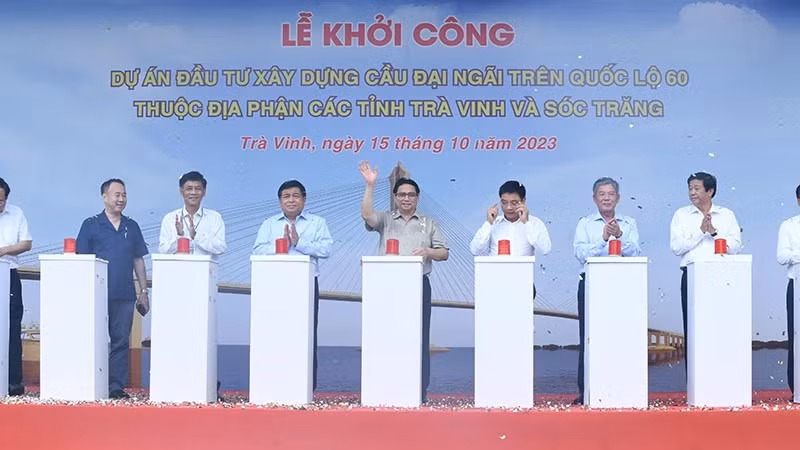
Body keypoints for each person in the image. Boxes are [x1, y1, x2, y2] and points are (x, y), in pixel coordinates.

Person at [359, 161, 449, 402]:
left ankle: (419, 392)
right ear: (395, 197)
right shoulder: (386, 220)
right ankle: (384, 389)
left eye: (411, 195)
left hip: (419, 285)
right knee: (385, 336)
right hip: (387, 288)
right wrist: (370, 185)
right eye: (401, 195)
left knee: (419, 339)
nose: (406, 199)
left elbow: (444, 253)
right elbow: (367, 215)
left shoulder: (429, 223)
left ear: (418, 198)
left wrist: (428, 252)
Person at [253, 179, 333, 391]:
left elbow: (326, 250)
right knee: (274, 334)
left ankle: (306, 388)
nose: (291, 200)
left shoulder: (317, 223)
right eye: (286, 196)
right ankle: (273, 385)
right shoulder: (269, 224)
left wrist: (299, 243)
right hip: (274, 286)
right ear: (280, 201)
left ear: (304, 200)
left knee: (305, 337)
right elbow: (257, 250)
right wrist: (280, 246)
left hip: (305, 286)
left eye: (295, 196)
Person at [77, 179, 149, 399]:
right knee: (93, 339)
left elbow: (138, 260)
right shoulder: (90, 224)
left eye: (124, 195)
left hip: (124, 293)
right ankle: (90, 382)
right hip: (96, 294)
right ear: (104, 196)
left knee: (120, 340)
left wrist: (143, 291)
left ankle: (115, 386)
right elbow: (81, 259)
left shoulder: (132, 226)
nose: (121, 199)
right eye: (116, 194)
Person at [572, 176, 641, 404]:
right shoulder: (585, 223)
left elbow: (636, 253)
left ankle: (622, 389)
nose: (606, 198)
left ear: (618, 198)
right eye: (602, 194)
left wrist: (619, 236)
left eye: (611, 194)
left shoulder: (629, 223)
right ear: (594, 198)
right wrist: (603, 239)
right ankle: (586, 392)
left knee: (621, 335)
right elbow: (580, 254)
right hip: (591, 284)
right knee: (588, 336)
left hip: (621, 285)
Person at [670, 171, 742, 377]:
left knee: (721, 328)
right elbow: (676, 247)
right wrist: (700, 232)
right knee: (693, 331)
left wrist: (715, 233)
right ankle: (694, 382)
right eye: (690, 188)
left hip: (722, 276)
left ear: (710, 191)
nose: (692, 193)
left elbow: (736, 246)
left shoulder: (726, 215)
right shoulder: (681, 215)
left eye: (697, 188)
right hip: (691, 276)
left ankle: (722, 377)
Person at [469, 180, 551, 297]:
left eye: (514, 203)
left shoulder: (535, 223)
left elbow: (545, 249)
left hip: (522, 282)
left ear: (524, 201)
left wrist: (526, 223)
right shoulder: (493, 223)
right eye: (504, 202)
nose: (508, 207)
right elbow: (475, 250)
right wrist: (488, 223)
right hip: (492, 282)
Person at [0, 177, 33, 396]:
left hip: (8, 274)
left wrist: (3, 250)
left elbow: (26, 243)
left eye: (1, 200)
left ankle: (13, 382)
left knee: (12, 328)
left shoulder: (16, 213)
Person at [158, 171, 226, 258]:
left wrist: (197, 237)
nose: (193, 192)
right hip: (177, 270)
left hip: (205, 270)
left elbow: (221, 248)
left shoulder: (214, 218)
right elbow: (163, 251)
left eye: (197, 188)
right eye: (189, 189)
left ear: (204, 192)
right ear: (181, 192)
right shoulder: (170, 218)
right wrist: (180, 237)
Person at [777, 184, 800, 395]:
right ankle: (797, 388)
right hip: (797, 286)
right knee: (796, 337)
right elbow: (782, 257)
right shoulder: (789, 226)